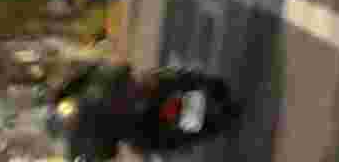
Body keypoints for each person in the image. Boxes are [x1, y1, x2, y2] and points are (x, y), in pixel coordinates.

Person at [50, 61, 239, 151]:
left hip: (134, 113)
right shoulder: (82, 135)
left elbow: (106, 72)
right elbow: (106, 152)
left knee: (158, 80)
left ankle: (207, 89)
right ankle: (211, 113)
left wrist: (121, 72)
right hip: (136, 120)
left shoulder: (82, 94)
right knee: (161, 141)